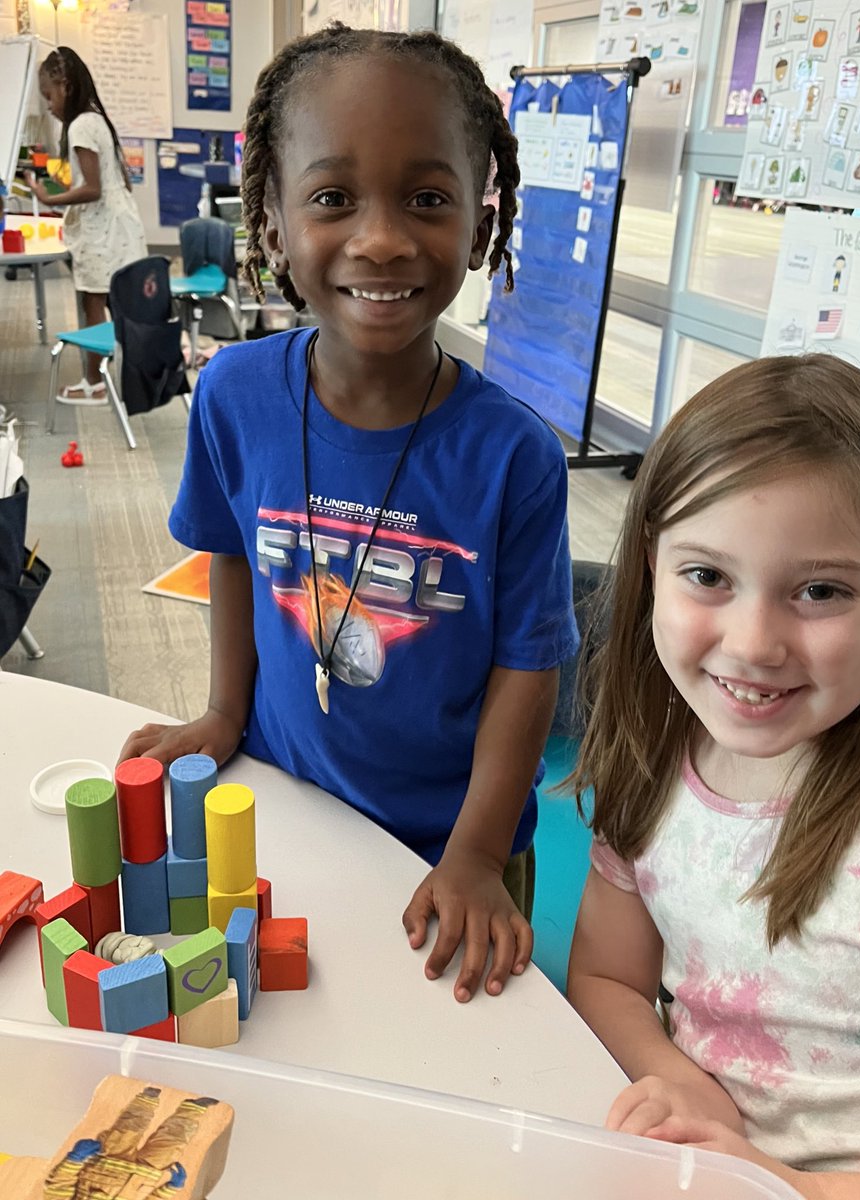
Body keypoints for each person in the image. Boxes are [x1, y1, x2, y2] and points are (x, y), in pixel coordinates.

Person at [119, 25, 579, 1004]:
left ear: (481, 222)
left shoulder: (516, 457)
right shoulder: (234, 395)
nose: (381, 239)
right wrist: (224, 712)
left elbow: (529, 668)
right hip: (289, 807)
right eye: (333, 198)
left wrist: (475, 855)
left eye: (427, 198)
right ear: (273, 225)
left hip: (453, 850)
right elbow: (232, 554)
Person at [567, 354, 860, 1196]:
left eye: (820, 591)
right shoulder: (654, 759)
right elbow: (606, 976)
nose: (753, 644)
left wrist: (792, 1185)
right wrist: (677, 1079)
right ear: (652, 566)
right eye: (708, 576)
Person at [24, 47, 147, 404]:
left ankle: (94, 383)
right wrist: (62, 188)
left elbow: (92, 189)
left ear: (64, 86)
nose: (49, 106)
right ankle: (121, 376)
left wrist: (48, 199)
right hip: (119, 226)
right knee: (118, 302)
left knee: (93, 301)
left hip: (102, 232)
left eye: (49, 96)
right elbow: (114, 181)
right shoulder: (96, 119)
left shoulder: (80, 125)